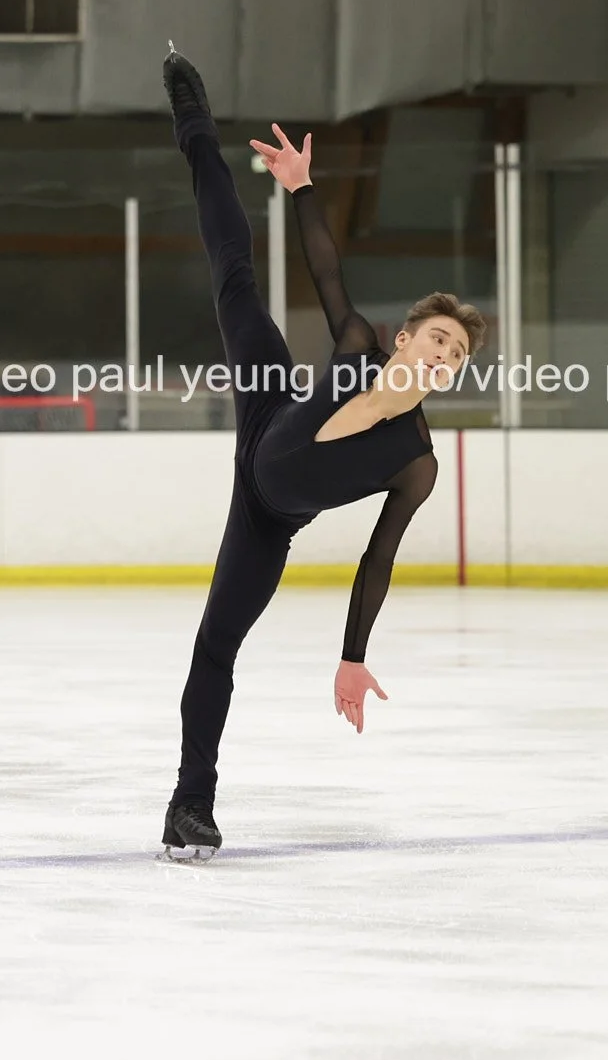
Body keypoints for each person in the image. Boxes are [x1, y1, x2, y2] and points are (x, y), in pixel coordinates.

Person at [160, 48, 485, 861]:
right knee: (235, 276)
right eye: (437, 338)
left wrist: (352, 657)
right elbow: (324, 266)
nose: (444, 354)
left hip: (269, 515)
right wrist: (302, 187)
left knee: (217, 645)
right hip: (269, 403)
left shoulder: (415, 463)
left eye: (456, 354)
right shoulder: (356, 343)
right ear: (404, 339)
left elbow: (378, 558)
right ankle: (193, 119)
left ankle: (189, 806)